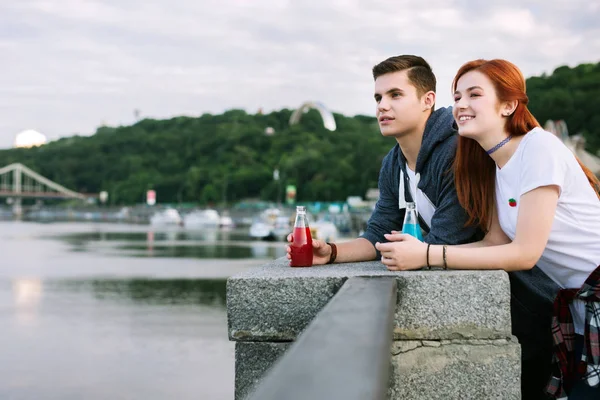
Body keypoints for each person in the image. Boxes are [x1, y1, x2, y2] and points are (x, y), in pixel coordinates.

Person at [377, 59, 600, 399]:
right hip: (576, 306)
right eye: (457, 96)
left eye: (475, 94)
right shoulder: (494, 165)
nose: (461, 105)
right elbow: (493, 241)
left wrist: (426, 254)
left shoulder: (537, 148)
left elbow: (525, 253)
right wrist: (418, 256)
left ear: (509, 105)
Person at [286, 55, 479, 266]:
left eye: (395, 95)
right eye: (378, 98)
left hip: (503, 284)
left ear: (428, 100)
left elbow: (446, 240)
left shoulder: (458, 151)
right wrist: (331, 252)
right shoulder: (393, 163)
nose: (382, 106)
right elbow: (378, 234)